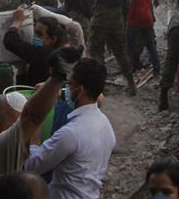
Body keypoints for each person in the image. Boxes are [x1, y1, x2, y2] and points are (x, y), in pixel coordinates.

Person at [24, 58, 116, 198]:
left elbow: (32, 167)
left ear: (79, 90)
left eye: (70, 85)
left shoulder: (71, 133)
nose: (67, 89)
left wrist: (34, 138)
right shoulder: (105, 125)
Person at [0, 46, 81, 176]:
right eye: (18, 122)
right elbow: (31, 117)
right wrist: (58, 76)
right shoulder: (0, 150)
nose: (27, 127)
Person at [88, 0, 137, 95]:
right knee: (120, 51)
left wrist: (92, 15)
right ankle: (131, 84)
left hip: (101, 17)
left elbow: (93, 0)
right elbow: (126, 1)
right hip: (117, 18)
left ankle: (100, 86)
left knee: (97, 51)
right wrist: (123, 17)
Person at [3, 7, 67, 86]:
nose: (35, 37)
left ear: (53, 39)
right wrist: (21, 69)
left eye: (40, 34)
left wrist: (17, 21)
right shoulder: (58, 53)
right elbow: (25, 86)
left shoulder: (45, 53)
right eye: (35, 33)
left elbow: (10, 41)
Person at [122, 0, 161, 77]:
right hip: (147, 16)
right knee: (150, 45)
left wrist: (124, 13)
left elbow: (129, 2)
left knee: (129, 45)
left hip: (134, 18)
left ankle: (130, 68)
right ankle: (157, 68)